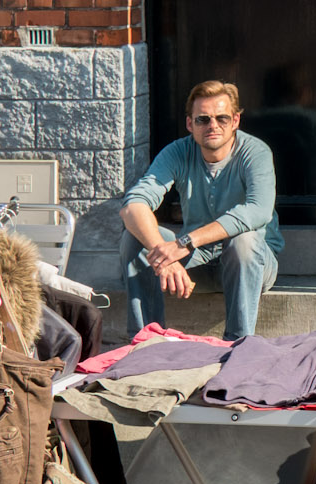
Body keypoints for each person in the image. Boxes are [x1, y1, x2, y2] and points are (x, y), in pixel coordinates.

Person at [120, 80, 283, 342]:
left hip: (251, 264)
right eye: (203, 119)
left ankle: (237, 345)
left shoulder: (255, 152)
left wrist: (186, 242)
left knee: (245, 240)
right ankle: (146, 341)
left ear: (236, 121)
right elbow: (133, 206)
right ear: (190, 124)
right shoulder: (178, 152)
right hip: (197, 264)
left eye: (221, 118)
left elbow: (258, 210)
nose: (213, 126)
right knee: (134, 237)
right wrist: (167, 257)